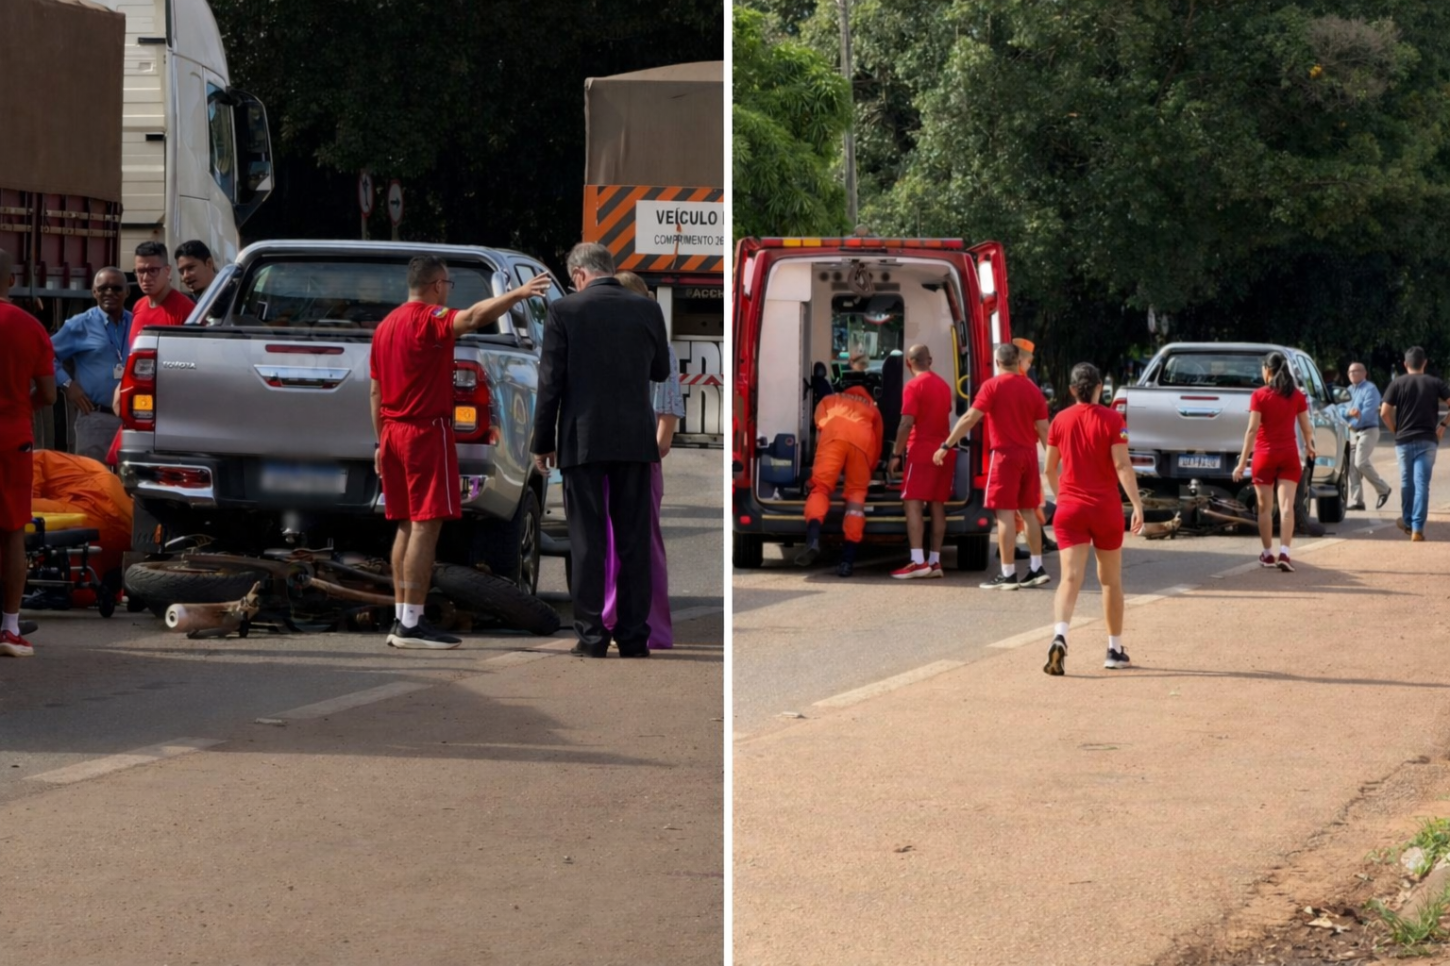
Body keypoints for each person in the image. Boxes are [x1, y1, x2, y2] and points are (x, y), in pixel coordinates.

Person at [371, 255, 548, 649]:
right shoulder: (427, 318)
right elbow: (470, 318)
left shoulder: (385, 327)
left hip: (393, 433)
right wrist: (517, 293)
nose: (449, 292)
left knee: (404, 523)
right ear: (437, 285)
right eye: (448, 285)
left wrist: (380, 442)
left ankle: (402, 618)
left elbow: (375, 392)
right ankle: (412, 624)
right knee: (425, 525)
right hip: (424, 431)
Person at [531, 243, 670, 658]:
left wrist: (543, 443)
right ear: (609, 269)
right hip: (634, 439)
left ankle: (591, 638)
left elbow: (550, 382)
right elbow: (660, 370)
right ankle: (633, 637)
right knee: (633, 541)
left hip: (583, 439)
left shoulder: (566, 311)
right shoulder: (647, 309)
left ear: (578, 274)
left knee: (587, 540)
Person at [598, 270, 686, 649]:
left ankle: (645, 624)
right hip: (618, 454)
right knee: (611, 539)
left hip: (641, 458)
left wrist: (651, 454)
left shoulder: (660, 348)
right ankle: (613, 617)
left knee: (642, 542)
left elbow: (667, 418)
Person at [1042, 363, 1144, 675]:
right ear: (1100, 387)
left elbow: (1048, 469)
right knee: (1110, 581)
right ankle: (1114, 649)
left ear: (1072, 389)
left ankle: (1060, 634)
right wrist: (1137, 504)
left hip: (1070, 507)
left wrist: (1063, 499)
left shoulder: (1059, 420)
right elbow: (1122, 466)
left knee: (1069, 579)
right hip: (1105, 508)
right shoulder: (1115, 420)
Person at [933, 342, 1051, 590]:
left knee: (1005, 514)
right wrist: (1051, 461)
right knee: (1029, 512)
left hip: (1004, 455)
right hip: (1029, 455)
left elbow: (969, 418)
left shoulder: (992, 386)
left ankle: (1008, 573)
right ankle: (1036, 567)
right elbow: (1043, 430)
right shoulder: (1032, 390)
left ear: (998, 363)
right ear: (1019, 362)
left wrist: (946, 445)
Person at [0, 248, 58, 657]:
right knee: (12, 530)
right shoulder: (29, 326)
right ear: (9, 280)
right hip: (11, 437)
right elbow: (50, 395)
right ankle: (9, 628)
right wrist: (21, 402)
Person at [1231, 351, 1315, 571]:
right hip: (1289, 455)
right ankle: (1285, 553)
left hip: (1264, 456)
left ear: (1266, 370)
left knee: (1265, 508)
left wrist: (1241, 463)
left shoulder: (1259, 395)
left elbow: (1252, 430)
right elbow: (1306, 427)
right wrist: (1310, 445)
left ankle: (1268, 555)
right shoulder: (1297, 395)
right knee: (1287, 507)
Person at [794, 384, 882, 577]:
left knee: (820, 488)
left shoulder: (828, 400)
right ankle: (847, 561)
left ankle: (813, 539)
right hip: (862, 442)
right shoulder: (871, 408)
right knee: (855, 499)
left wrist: (822, 461)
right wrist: (870, 469)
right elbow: (877, 442)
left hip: (833, 435)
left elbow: (819, 431)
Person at [50, 267, 131, 460]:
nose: (109, 293)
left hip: (133, 421)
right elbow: (44, 355)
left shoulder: (137, 322)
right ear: (94, 292)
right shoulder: (79, 324)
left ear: (127, 292)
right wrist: (67, 385)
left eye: (116, 288)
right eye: (102, 288)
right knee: (92, 484)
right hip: (96, 418)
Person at [888, 344, 952, 578]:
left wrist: (896, 453)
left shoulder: (913, 386)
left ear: (908, 363)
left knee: (913, 502)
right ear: (930, 360)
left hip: (922, 450)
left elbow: (906, 423)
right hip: (944, 450)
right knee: (937, 504)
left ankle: (917, 561)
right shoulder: (944, 386)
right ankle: (935, 561)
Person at [1379, 346, 1450, 542]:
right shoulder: (1435, 382)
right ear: (1424, 363)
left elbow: (1384, 412)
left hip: (1404, 440)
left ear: (1405, 364)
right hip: (1428, 439)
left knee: (1406, 482)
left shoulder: (1397, 383)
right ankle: (1418, 528)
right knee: (1422, 484)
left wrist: (1395, 430)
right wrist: (1443, 425)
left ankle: (1408, 522)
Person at [1339, 361, 1391, 511]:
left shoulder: (1371, 389)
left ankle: (1383, 489)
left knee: (1360, 462)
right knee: (1352, 468)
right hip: (1352, 433)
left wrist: (1353, 422)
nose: (1352, 374)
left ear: (1364, 373)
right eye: (1350, 372)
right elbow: (1339, 409)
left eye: (1356, 371)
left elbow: (1368, 412)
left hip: (1368, 430)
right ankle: (1358, 502)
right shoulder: (1348, 390)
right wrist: (1348, 413)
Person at [125, 241, 194, 346]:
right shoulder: (138, 306)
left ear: (167, 270)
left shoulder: (185, 309)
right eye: (140, 271)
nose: (145, 278)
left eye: (152, 270)